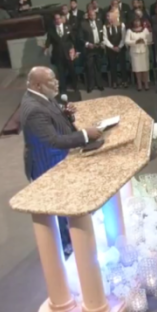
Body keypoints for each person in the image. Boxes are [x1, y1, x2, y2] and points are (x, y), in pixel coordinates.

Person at [20, 67, 103, 255]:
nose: (56, 83)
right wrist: (84, 134)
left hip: (52, 158)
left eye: (55, 79)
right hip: (47, 164)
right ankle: (70, 249)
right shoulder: (33, 109)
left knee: (67, 205)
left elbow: (50, 117)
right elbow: (53, 141)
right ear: (38, 85)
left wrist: (64, 113)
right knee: (61, 207)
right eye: (51, 81)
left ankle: (74, 240)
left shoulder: (39, 96)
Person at [44, 13, 77, 96]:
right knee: (61, 73)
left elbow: (73, 40)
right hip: (58, 54)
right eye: (56, 19)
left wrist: (74, 50)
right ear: (54, 21)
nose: (58, 20)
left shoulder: (68, 27)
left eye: (59, 18)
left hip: (68, 53)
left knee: (72, 70)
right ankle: (63, 89)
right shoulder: (51, 30)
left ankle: (75, 86)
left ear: (62, 19)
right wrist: (46, 47)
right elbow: (48, 41)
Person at [80, 10, 105, 92]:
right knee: (89, 67)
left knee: (98, 67)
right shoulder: (83, 24)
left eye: (94, 15)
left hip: (98, 48)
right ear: (88, 15)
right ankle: (91, 85)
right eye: (91, 15)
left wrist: (102, 43)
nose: (92, 16)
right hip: (89, 49)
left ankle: (99, 84)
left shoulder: (99, 22)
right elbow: (80, 37)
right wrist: (87, 44)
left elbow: (103, 34)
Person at [125, 17, 152, 91]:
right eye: (135, 21)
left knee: (145, 68)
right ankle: (139, 84)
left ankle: (146, 83)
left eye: (138, 21)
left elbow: (150, 40)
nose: (137, 23)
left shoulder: (145, 30)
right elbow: (126, 41)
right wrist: (135, 42)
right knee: (137, 69)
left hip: (144, 51)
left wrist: (144, 41)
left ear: (140, 22)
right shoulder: (129, 31)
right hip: (135, 52)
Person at [103, 11, 127, 89]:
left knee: (123, 65)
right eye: (107, 17)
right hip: (111, 49)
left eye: (109, 17)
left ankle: (124, 81)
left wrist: (119, 47)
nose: (108, 18)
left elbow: (123, 37)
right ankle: (114, 82)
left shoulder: (121, 25)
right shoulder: (105, 26)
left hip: (121, 48)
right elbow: (105, 39)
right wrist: (113, 47)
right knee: (113, 66)